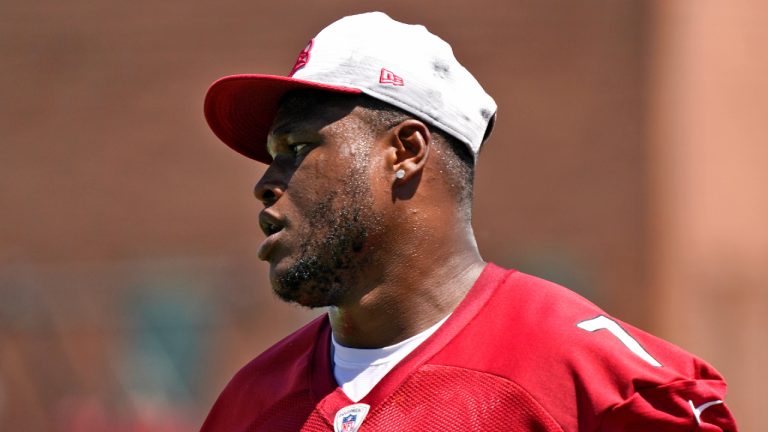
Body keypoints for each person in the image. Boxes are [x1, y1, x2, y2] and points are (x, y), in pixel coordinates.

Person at [200, 12, 737, 432]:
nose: (266, 182)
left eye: (297, 147)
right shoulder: (249, 404)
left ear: (405, 151)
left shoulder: (598, 387)